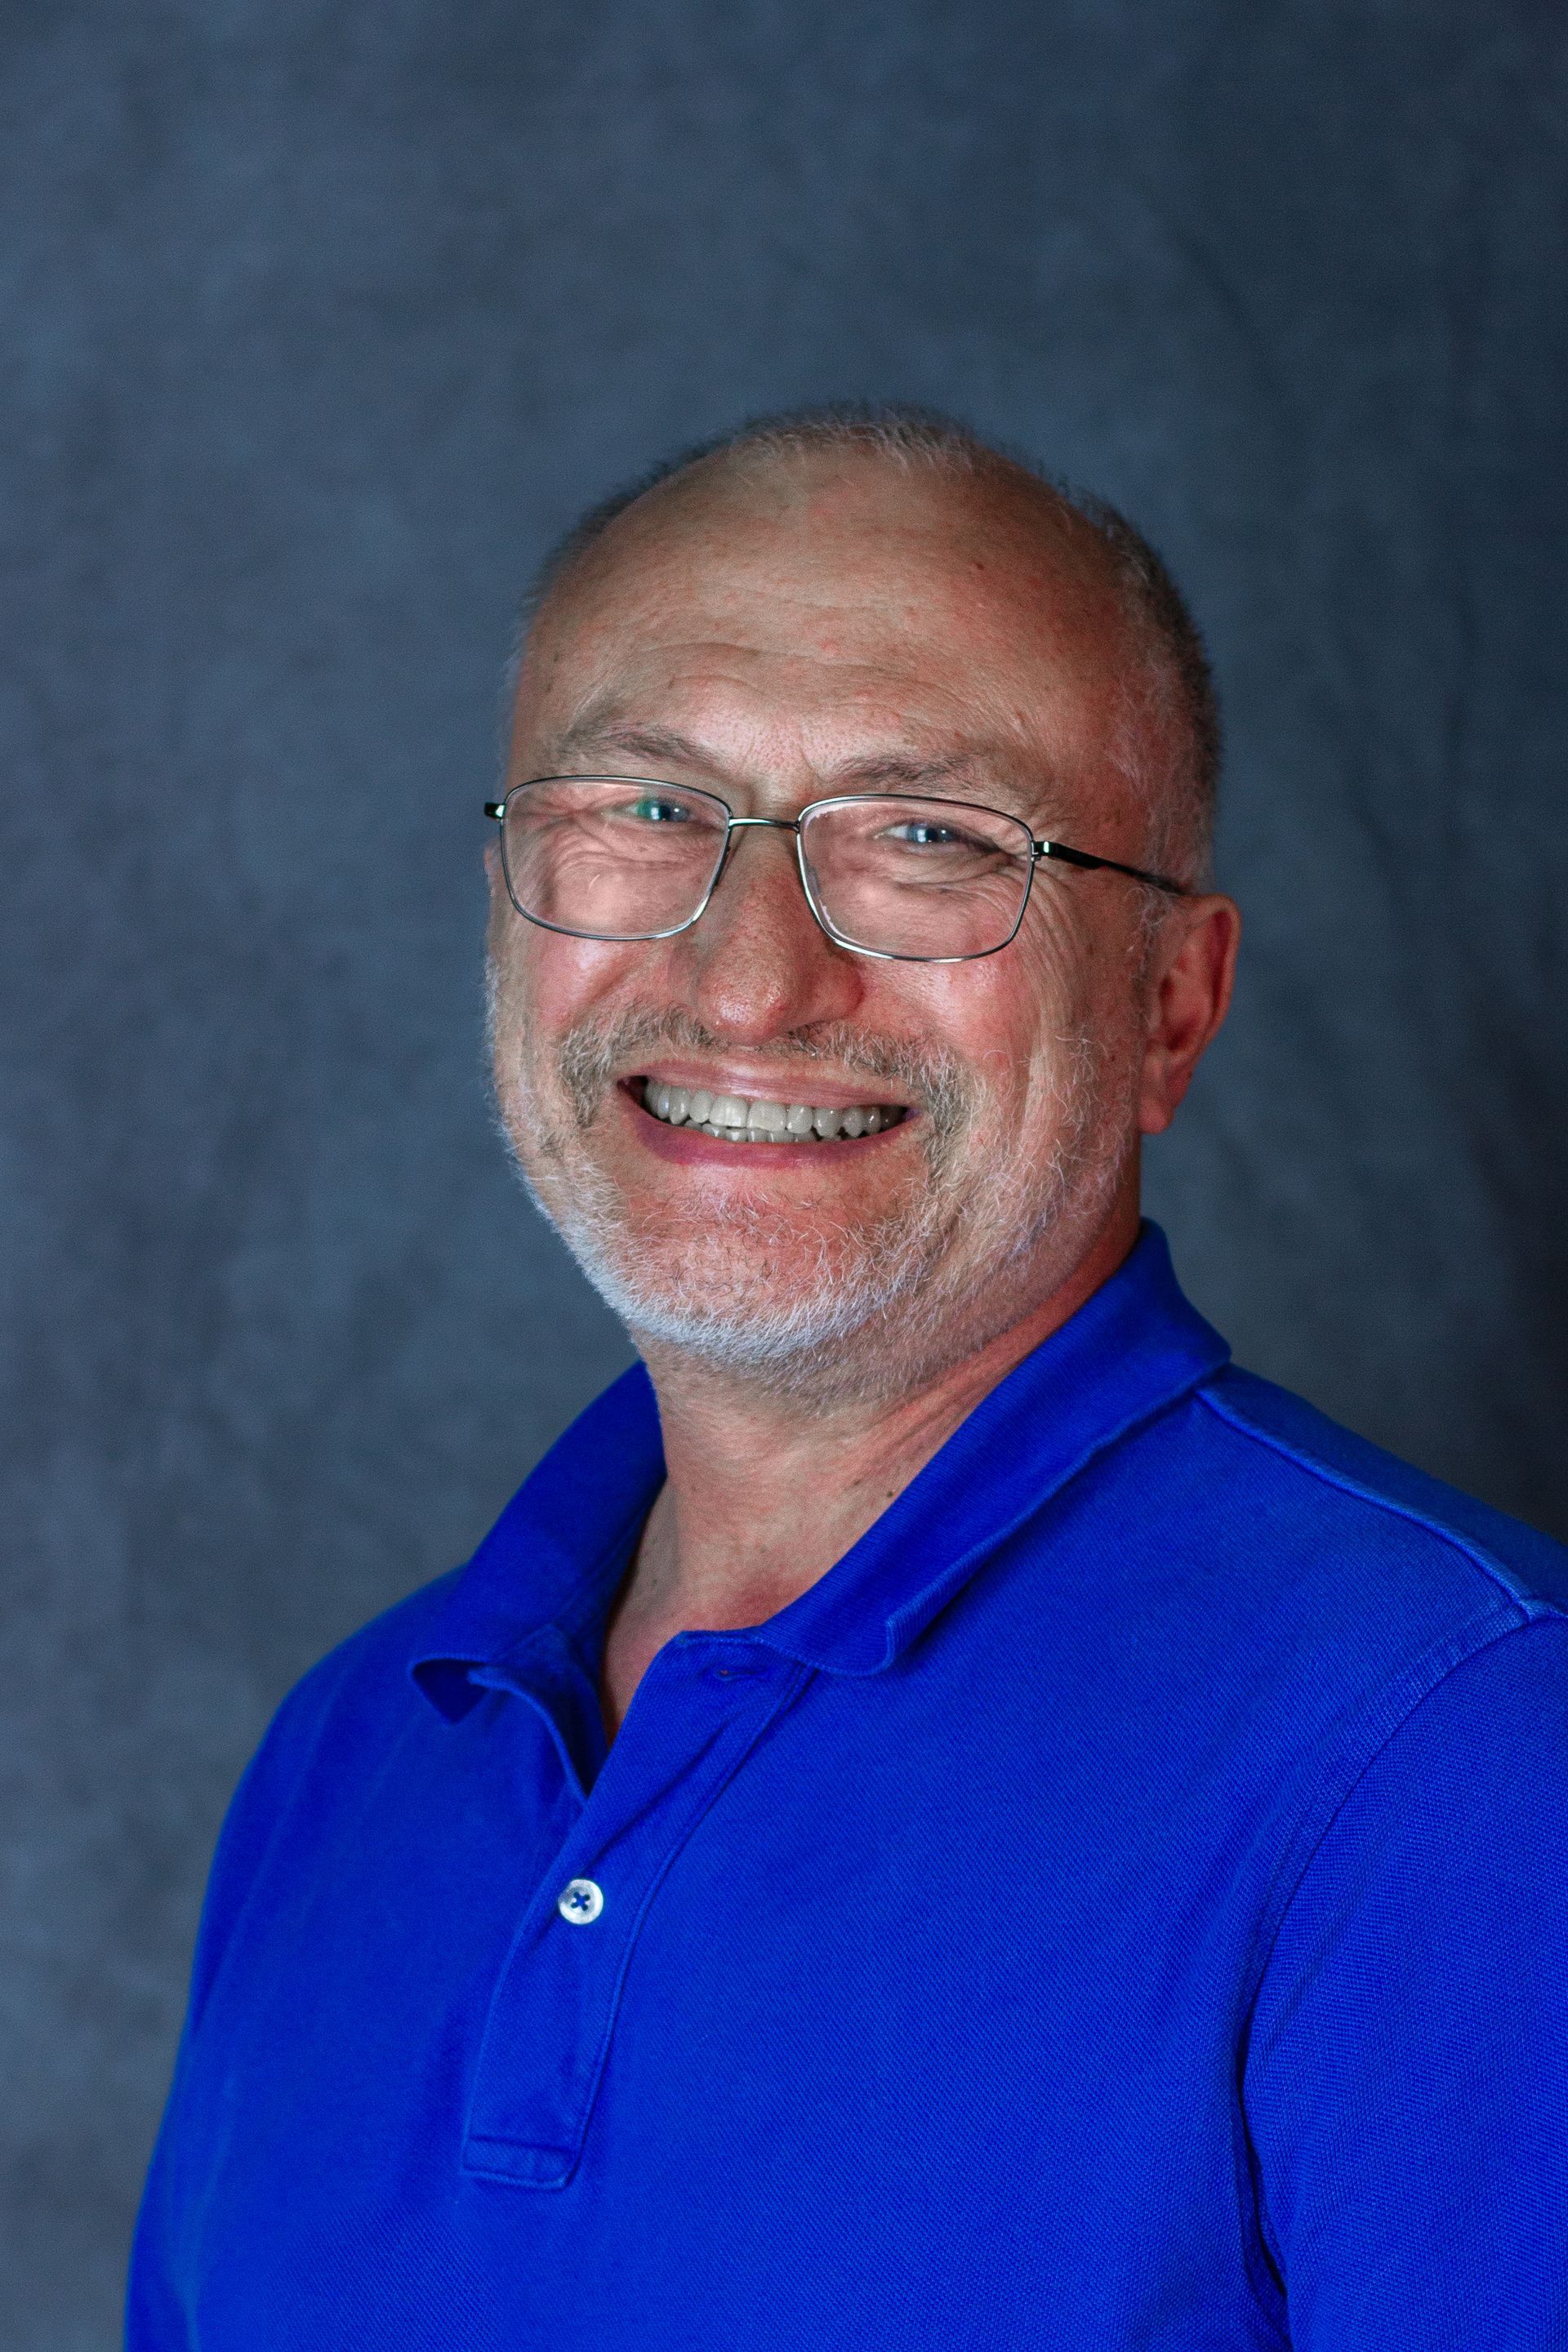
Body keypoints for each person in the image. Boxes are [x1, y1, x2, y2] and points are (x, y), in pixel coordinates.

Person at [129, 408, 1568, 2350]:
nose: (747, 983)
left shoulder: (1461, 1759)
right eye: (643, 812)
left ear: (1171, 1005)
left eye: (924, 841)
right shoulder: (346, 1760)